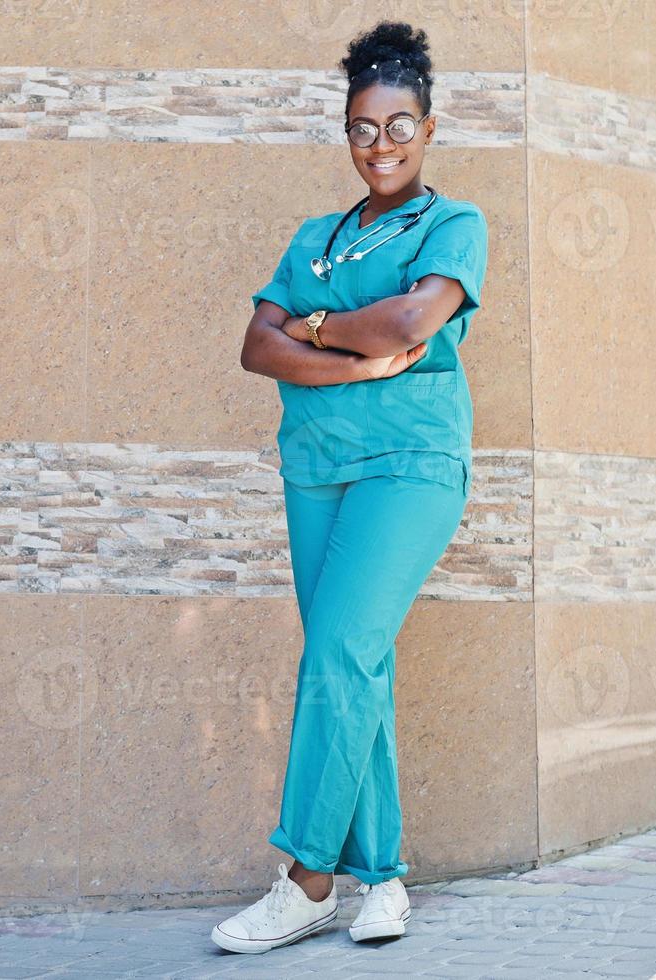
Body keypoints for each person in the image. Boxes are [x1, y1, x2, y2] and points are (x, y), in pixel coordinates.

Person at [211, 21, 490, 955]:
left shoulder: (454, 225)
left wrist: (314, 331)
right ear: (346, 134)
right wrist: (353, 359)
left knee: (339, 650)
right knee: (350, 661)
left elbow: (412, 318)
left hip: (410, 468)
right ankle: (385, 880)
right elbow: (257, 346)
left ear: (429, 126)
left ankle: (304, 877)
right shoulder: (314, 236)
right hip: (316, 471)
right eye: (363, 128)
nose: (382, 144)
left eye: (399, 123)